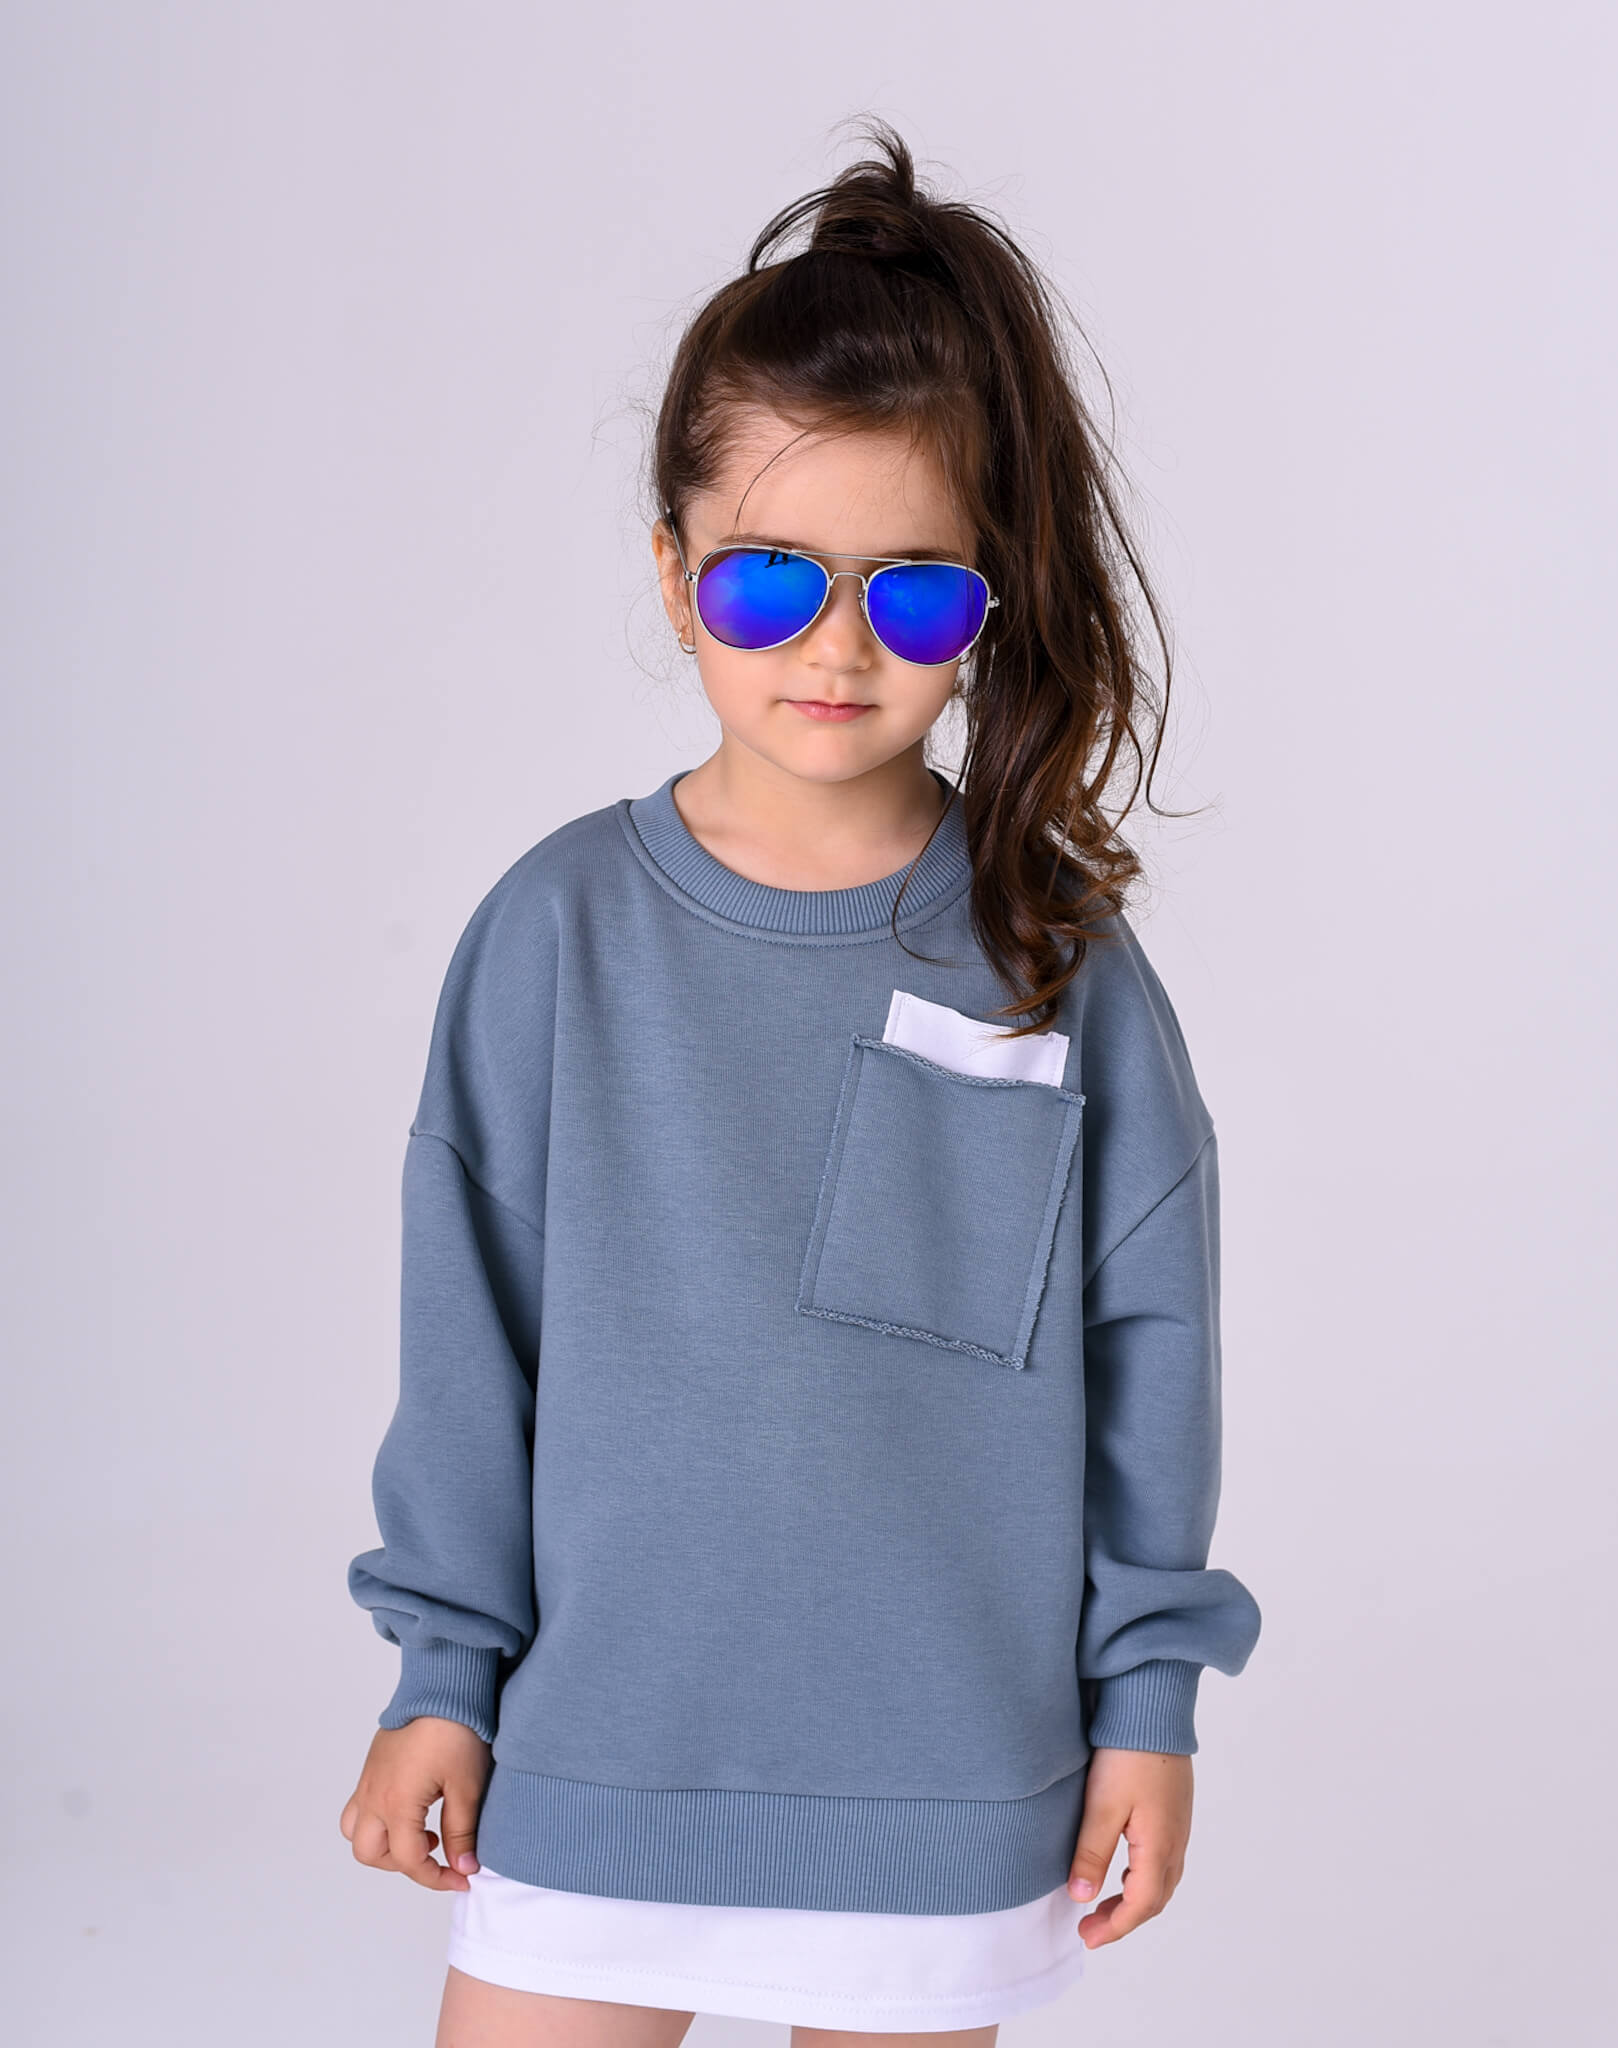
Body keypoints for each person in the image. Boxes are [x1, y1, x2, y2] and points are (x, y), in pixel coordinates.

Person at [339, 116, 1262, 2047]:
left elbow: (1151, 1351)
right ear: (675, 574)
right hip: (599, 1753)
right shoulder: (557, 933)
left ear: (987, 606)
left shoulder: (1053, 954)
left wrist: (1147, 1706)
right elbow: (470, 1331)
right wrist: (441, 1674)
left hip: (947, 1784)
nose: (839, 648)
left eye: (912, 594)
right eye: (771, 582)